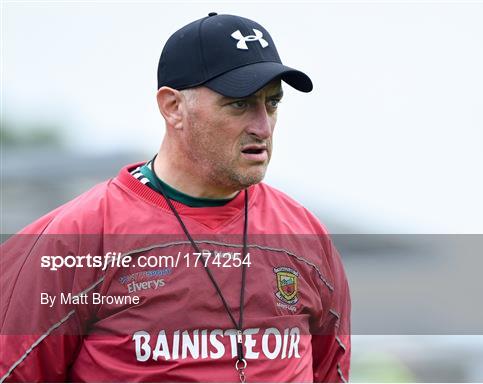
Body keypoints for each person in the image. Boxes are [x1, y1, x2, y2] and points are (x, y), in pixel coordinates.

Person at [0, 13, 350, 383]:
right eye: (239, 104)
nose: (262, 126)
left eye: (273, 103)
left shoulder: (307, 236)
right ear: (173, 107)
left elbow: (330, 373)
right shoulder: (73, 237)